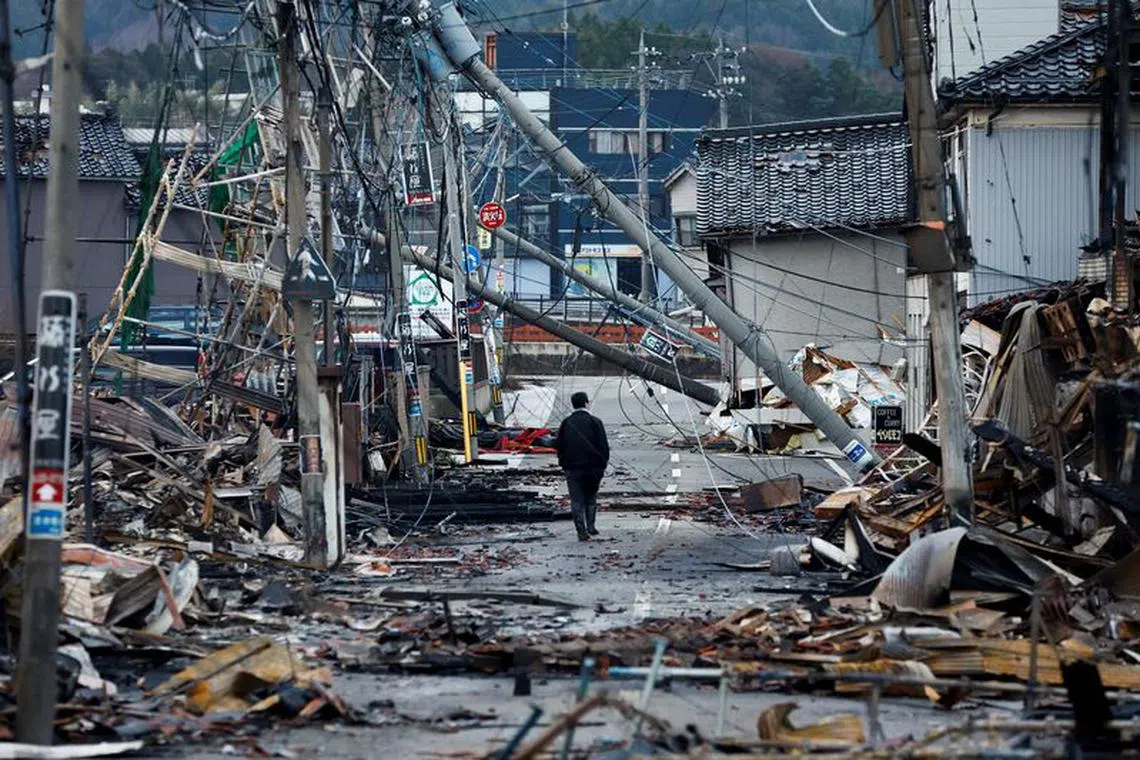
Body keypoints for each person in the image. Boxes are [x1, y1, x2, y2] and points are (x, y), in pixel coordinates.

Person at [556, 391, 609, 541]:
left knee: (576, 499)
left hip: (572, 468)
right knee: (591, 497)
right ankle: (591, 526)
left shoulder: (566, 423)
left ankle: (581, 530)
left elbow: (559, 445)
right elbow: (603, 446)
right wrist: (602, 465)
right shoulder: (595, 422)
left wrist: (563, 463)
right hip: (593, 468)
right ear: (586, 403)